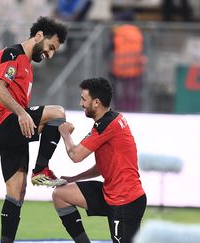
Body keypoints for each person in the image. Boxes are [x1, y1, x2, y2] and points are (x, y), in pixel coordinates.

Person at [0, 16, 68, 242]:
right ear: (39, 35)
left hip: (12, 132)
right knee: (58, 112)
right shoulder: (12, 54)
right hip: (4, 123)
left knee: (17, 192)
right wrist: (22, 113)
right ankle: (41, 169)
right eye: (51, 47)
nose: (50, 54)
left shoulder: (28, 67)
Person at [53, 77, 147, 243]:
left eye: (83, 99)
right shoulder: (110, 121)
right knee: (61, 194)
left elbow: (76, 155)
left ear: (96, 102)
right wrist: (74, 179)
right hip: (111, 193)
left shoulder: (105, 126)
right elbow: (103, 166)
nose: (81, 103)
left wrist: (65, 133)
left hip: (125, 200)